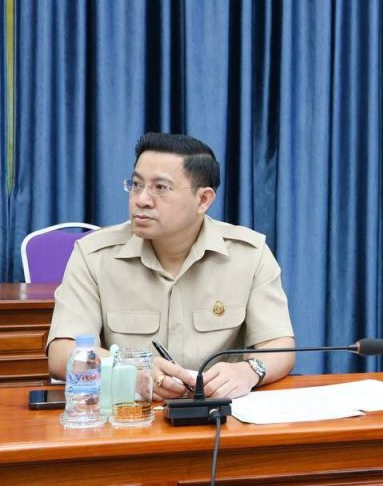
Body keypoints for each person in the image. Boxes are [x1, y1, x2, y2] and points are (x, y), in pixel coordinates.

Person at [46, 132, 295, 399]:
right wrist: (130, 371)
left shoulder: (249, 254)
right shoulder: (94, 255)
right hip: (131, 413)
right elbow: (62, 354)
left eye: (161, 187)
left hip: (220, 413)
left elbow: (280, 346)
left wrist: (249, 371)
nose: (141, 199)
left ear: (203, 200)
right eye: (136, 185)